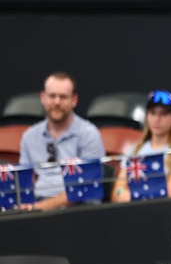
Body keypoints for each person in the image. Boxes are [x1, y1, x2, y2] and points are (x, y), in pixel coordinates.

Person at [17, 71, 106, 210]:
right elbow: (24, 185)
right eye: (52, 96)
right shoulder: (29, 136)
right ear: (43, 98)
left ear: (74, 100)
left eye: (63, 97)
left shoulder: (89, 134)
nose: (57, 102)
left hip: (78, 210)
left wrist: (40, 207)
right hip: (37, 209)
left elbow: (86, 188)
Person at [111, 90, 171, 202]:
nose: (157, 119)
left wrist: (130, 195)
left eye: (163, 114)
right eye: (152, 113)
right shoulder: (134, 151)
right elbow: (117, 193)